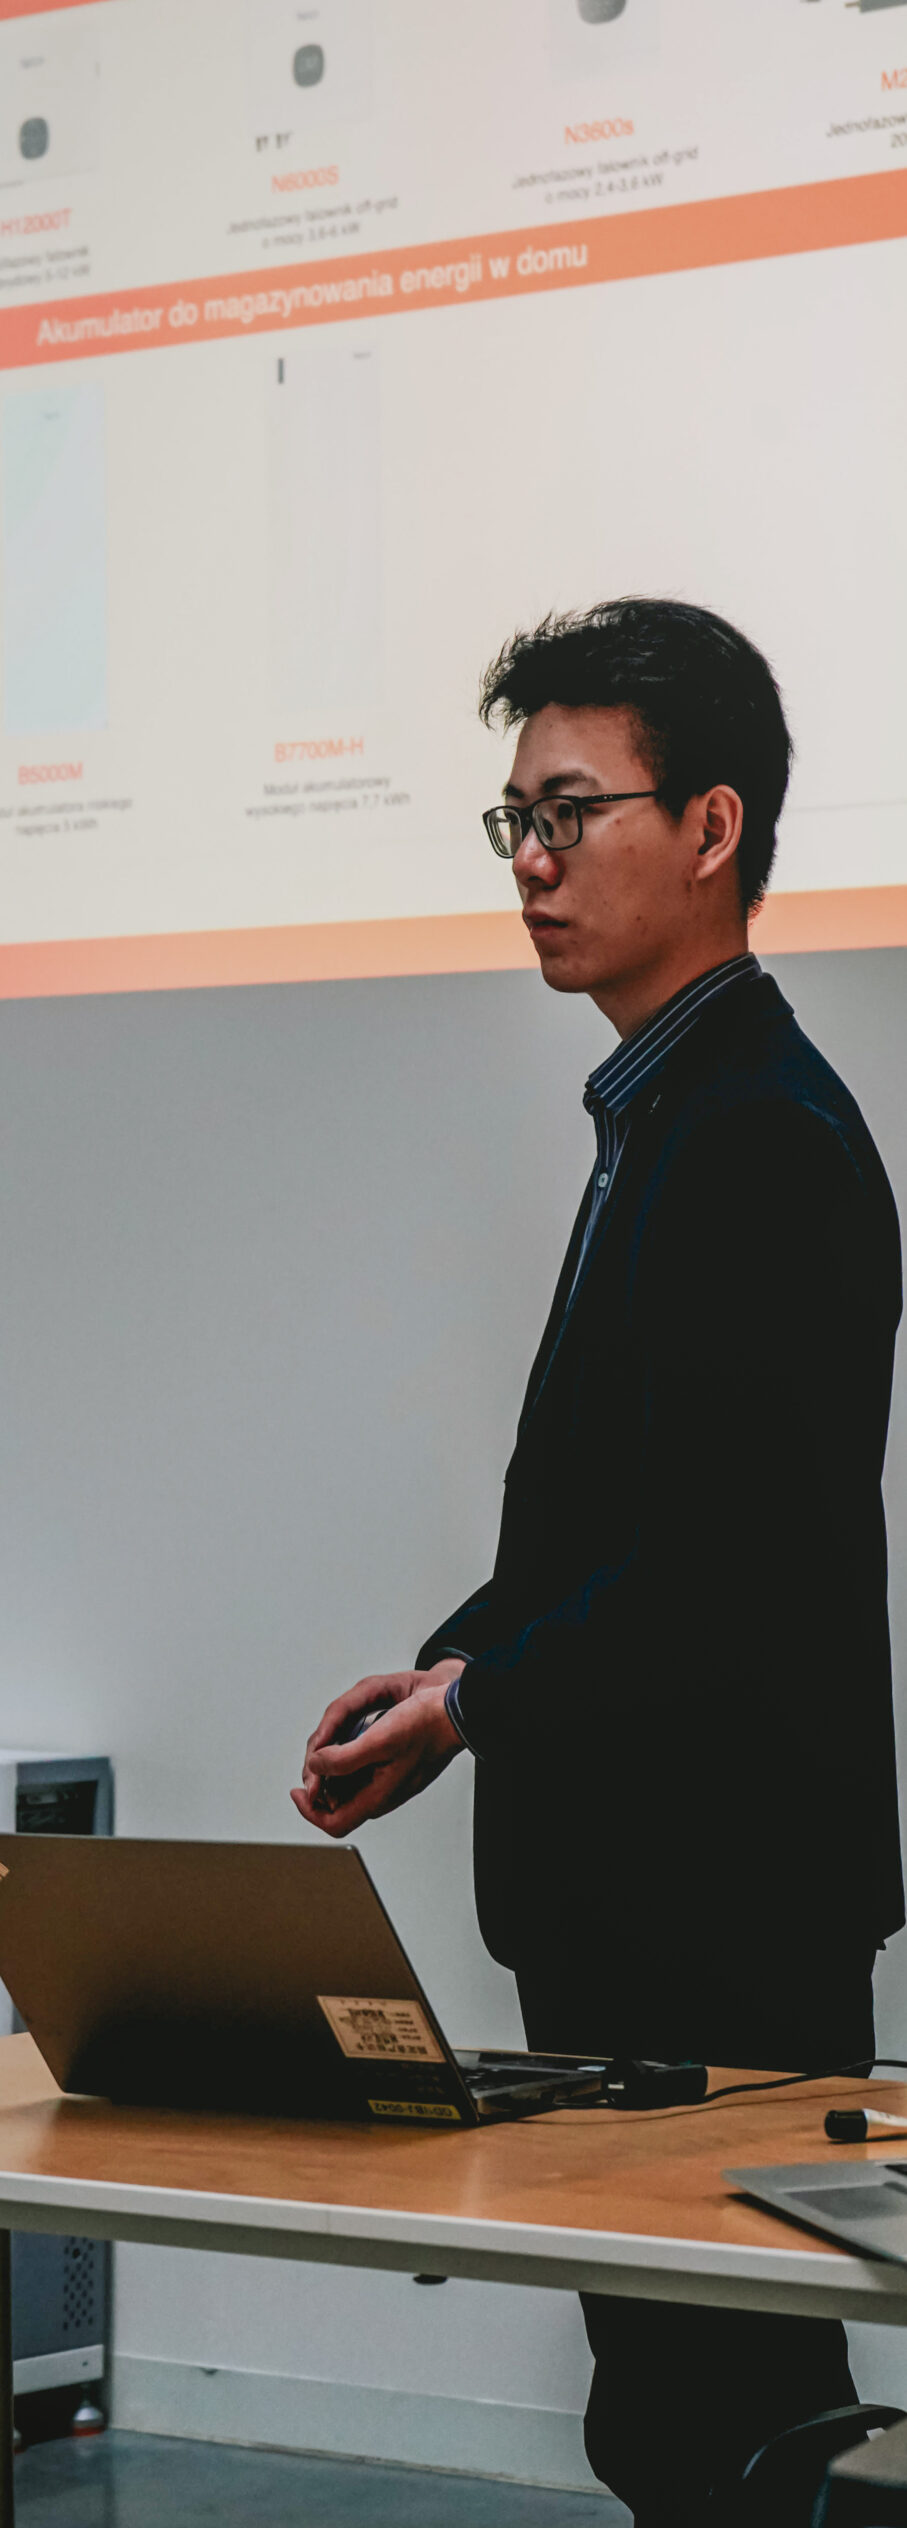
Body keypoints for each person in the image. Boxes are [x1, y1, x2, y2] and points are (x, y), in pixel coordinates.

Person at [292, 598, 903, 2525]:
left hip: (720, 1902)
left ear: (712, 829)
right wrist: (452, 1676)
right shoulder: (667, 1113)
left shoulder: (759, 1137)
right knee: (672, 2413)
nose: (533, 863)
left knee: (730, 2423)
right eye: (517, 822)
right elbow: (613, 1527)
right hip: (647, 1888)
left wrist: (480, 1697)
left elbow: (730, 1576)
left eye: (572, 813)